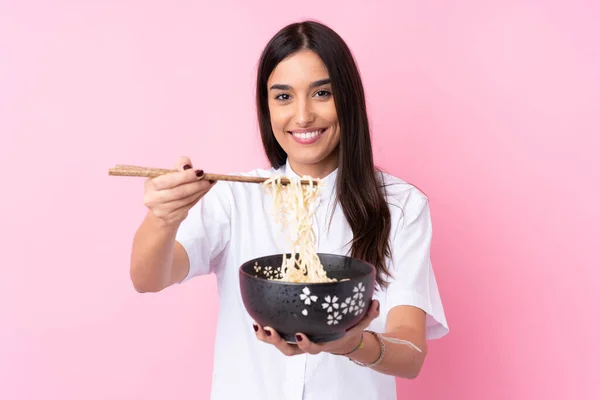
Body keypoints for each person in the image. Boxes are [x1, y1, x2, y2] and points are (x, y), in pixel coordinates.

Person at [130, 20, 448, 400]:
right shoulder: (235, 196)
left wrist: (346, 343)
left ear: (348, 99)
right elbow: (148, 278)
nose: (302, 117)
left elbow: (410, 355)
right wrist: (163, 219)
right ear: (267, 107)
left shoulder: (400, 205)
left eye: (322, 93)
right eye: (283, 97)